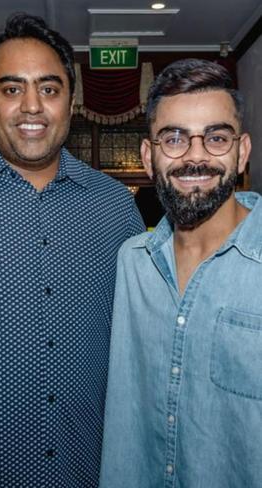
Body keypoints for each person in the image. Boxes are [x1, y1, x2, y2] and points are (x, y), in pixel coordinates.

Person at [0, 13, 144, 487]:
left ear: (71, 100)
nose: (31, 107)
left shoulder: (117, 209)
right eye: (11, 89)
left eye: (48, 89)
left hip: (84, 469)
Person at [100, 59, 259, 487]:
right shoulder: (132, 262)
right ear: (148, 158)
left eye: (216, 137)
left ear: (242, 152)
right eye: (174, 138)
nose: (195, 157)